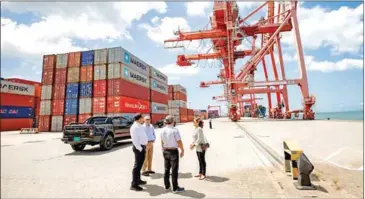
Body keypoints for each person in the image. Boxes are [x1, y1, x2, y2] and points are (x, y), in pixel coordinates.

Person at [160, 115, 185, 193]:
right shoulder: (175, 130)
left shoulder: (162, 130)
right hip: (173, 151)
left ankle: (167, 186)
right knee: (174, 170)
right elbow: (179, 141)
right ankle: (175, 188)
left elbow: (162, 141)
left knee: (166, 169)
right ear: (173, 121)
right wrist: (182, 150)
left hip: (165, 151)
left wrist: (163, 148)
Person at [130, 113, 148, 191]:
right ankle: (134, 184)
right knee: (137, 166)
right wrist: (140, 149)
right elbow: (135, 140)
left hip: (142, 147)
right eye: (142, 118)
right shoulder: (135, 127)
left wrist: (145, 146)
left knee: (140, 165)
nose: (143, 119)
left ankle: (138, 180)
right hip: (138, 148)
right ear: (139, 119)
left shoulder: (139, 125)